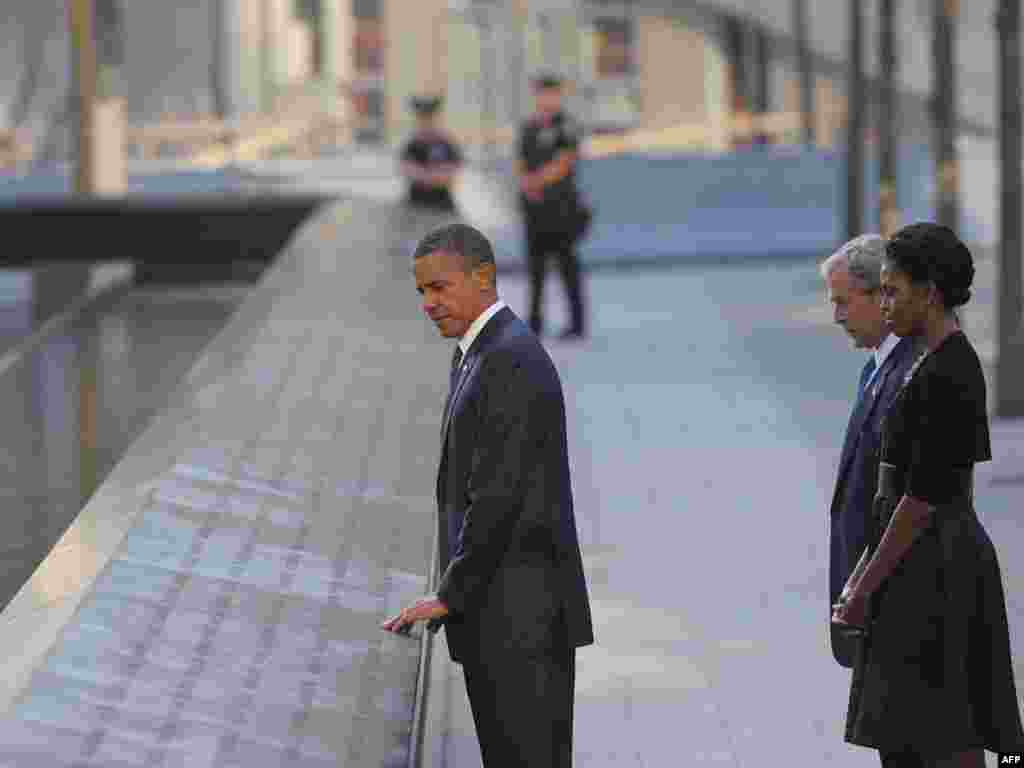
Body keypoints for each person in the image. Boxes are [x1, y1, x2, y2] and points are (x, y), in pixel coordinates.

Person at [382, 223, 594, 767]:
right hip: (503, 616)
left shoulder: (508, 359)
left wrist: (451, 593)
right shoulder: (475, 353)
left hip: (522, 620)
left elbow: (497, 497)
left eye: (440, 287)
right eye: (422, 292)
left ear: (484, 277)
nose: (429, 303)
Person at [833, 222, 1024, 767]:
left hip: (940, 568)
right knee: (904, 734)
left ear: (931, 293)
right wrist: (868, 572)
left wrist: (866, 585)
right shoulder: (918, 357)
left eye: (893, 290)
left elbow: (924, 496)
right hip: (911, 563)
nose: (884, 302)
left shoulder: (953, 368)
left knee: (945, 729)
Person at [820, 235, 917, 668]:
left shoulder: (910, 373)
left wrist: (864, 587)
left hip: (895, 598)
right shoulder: (875, 368)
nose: (837, 317)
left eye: (844, 302)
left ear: (881, 294)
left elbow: (913, 500)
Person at [517, 73, 590, 340]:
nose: (546, 100)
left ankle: (576, 322)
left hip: (561, 208)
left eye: (551, 94)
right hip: (535, 209)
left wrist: (536, 180)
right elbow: (521, 162)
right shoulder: (529, 127)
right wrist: (527, 183)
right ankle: (535, 322)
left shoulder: (566, 126)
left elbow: (565, 162)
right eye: (542, 94)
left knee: (566, 265)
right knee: (535, 268)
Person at [399, 95, 463, 213]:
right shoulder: (412, 144)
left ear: (436, 118)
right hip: (415, 204)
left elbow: (452, 172)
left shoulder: (446, 143)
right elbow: (407, 170)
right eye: (422, 117)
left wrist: (425, 175)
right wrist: (432, 175)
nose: (426, 122)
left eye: (429, 117)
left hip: (442, 203)